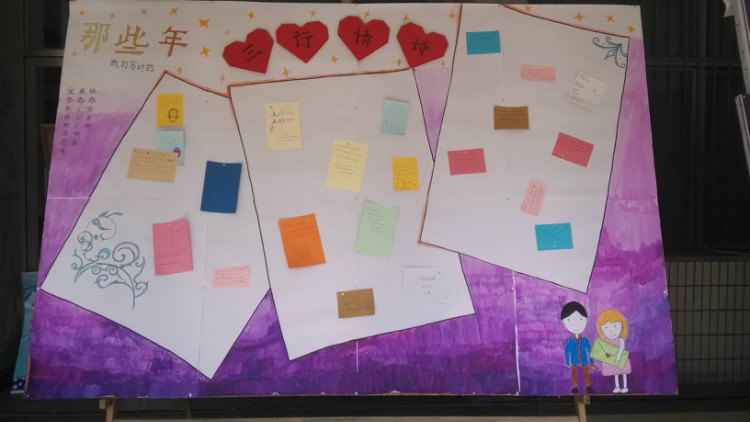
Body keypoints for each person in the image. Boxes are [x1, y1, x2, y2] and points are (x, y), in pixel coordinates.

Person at [561, 301, 595, 394]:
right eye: (569, 320)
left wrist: (591, 361)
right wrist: (568, 362)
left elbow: (589, 351)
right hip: (574, 361)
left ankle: (588, 386)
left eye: (580, 319)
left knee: (586, 373)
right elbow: (567, 352)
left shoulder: (585, 340)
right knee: (574, 374)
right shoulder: (569, 342)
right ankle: (575, 386)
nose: (575, 324)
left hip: (584, 360)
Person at [596, 309, 632, 393]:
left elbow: (621, 349)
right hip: (613, 360)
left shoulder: (620, 340)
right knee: (615, 373)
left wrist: (618, 358)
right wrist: (605, 358)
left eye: (615, 326)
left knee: (624, 373)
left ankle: (625, 387)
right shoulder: (606, 341)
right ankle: (617, 386)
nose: (611, 330)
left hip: (621, 358)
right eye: (606, 327)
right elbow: (605, 351)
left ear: (622, 326)